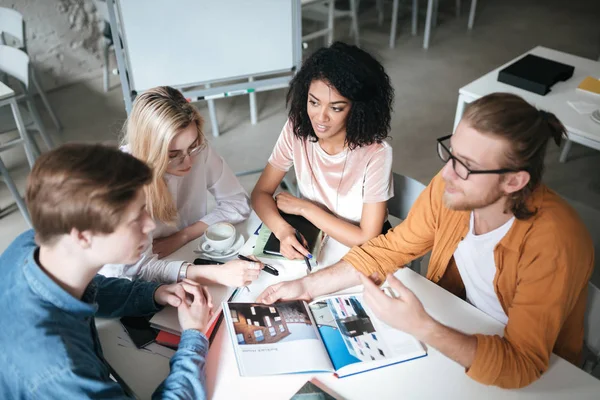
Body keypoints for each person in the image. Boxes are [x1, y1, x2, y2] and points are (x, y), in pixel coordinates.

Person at [256, 93, 594, 389]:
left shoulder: (555, 241)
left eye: (466, 166)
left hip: (522, 371)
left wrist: (422, 326)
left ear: (514, 181)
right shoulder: (454, 191)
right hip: (458, 325)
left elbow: (522, 363)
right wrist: (307, 286)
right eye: (452, 154)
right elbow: (391, 248)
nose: (446, 173)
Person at [0, 144, 214, 398]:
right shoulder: (62, 370)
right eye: (136, 217)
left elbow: (92, 287)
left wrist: (154, 293)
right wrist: (193, 338)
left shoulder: (38, 244)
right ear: (83, 236)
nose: (149, 224)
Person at [100, 86, 261, 286]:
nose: (188, 163)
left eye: (192, 147)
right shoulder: (124, 180)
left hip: (182, 253)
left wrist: (183, 236)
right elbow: (136, 270)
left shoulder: (196, 148)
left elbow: (237, 202)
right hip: (129, 283)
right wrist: (213, 273)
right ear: (149, 149)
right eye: (173, 155)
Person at [251, 41, 395, 260]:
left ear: (358, 109)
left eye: (336, 108)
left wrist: (304, 208)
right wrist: (282, 230)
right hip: (316, 236)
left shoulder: (376, 154)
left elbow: (366, 238)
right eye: (314, 102)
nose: (320, 117)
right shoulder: (296, 127)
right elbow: (261, 193)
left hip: (361, 252)